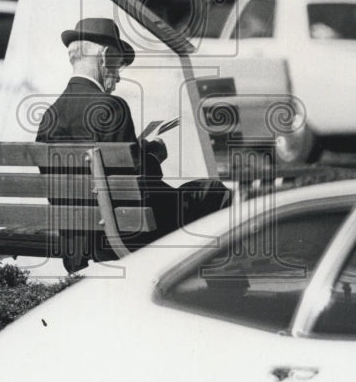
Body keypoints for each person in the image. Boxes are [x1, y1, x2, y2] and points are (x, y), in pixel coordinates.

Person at [36, 17, 231, 271]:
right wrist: (153, 155)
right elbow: (138, 185)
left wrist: (134, 152)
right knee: (214, 192)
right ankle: (216, 293)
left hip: (77, 237)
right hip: (121, 230)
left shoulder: (49, 115)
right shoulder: (111, 106)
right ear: (105, 56)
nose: (117, 77)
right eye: (117, 66)